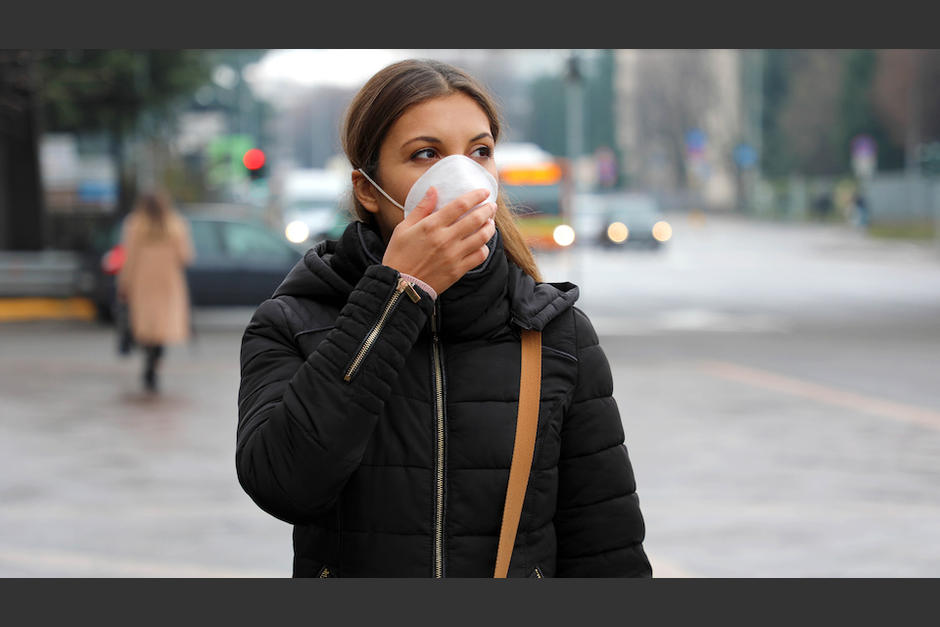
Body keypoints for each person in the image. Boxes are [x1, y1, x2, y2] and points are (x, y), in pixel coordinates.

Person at [236, 59, 652, 578]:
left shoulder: (555, 333)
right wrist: (396, 297)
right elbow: (285, 485)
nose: (463, 175)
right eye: (426, 154)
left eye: (480, 152)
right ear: (368, 189)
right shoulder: (293, 322)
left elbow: (606, 550)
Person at [117, 189, 194, 392]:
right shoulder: (176, 225)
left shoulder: (134, 224)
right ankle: (154, 364)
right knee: (162, 328)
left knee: (146, 326)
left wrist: (124, 283)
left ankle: (148, 360)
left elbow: (129, 258)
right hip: (168, 283)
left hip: (142, 282)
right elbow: (186, 256)